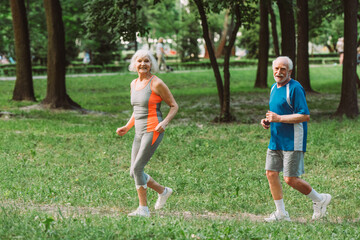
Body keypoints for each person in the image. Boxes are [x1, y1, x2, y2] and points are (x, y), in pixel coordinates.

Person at [260, 56, 331, 222]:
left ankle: (320, 200)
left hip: (293, 140)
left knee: (290, 179)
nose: (279, 72)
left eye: (283, 69)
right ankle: (281, 213)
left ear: (289, 71)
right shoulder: (273, 88)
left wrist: (279, 119)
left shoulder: (295, 88)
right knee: (271, 174)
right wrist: (268, 121)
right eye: (276, 68)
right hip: (276, 139)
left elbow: (304, 115)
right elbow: (277, 112)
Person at [116, 49, 178, 217]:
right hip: (138, 131)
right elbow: (137, 110)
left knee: (137, 168)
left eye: (147, 61)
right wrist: (127, 127)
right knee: (133, 172)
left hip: (153, 129)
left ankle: (143, 209)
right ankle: (163, 191)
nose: (143, 64)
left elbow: (174, 105)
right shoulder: (133, 84)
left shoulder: (156, 83)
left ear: (152, 64)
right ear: (134, 64)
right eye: (139, 61)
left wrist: (164, 123)